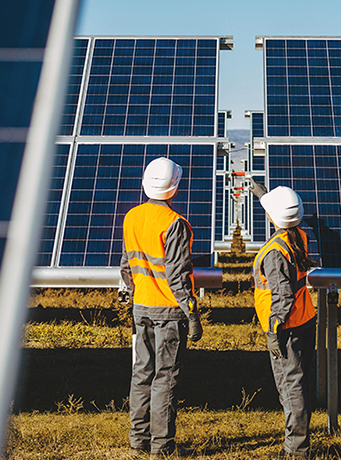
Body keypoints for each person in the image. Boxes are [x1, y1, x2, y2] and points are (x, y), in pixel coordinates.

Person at [120, 157, 203, 457]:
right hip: (168, 312)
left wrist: (132, 292)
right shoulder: (174, 224)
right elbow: (178, 276)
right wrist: (192, 314)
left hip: (140, 307)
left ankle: (137, 440)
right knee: (165, 379)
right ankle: (162, 446)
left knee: (141, 373)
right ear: (174, 187)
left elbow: (127, 264)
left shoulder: (131, 217)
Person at [250, 181, 317, 459]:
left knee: (291, 388)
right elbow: (284, 215)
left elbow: (282, 296)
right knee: (298, 383)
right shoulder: (299, 236)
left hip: (285, 328)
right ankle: (297, 445)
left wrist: (273, 332)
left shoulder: (275, 252)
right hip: (303, 319)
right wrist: (264, 196)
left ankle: (296, 451)